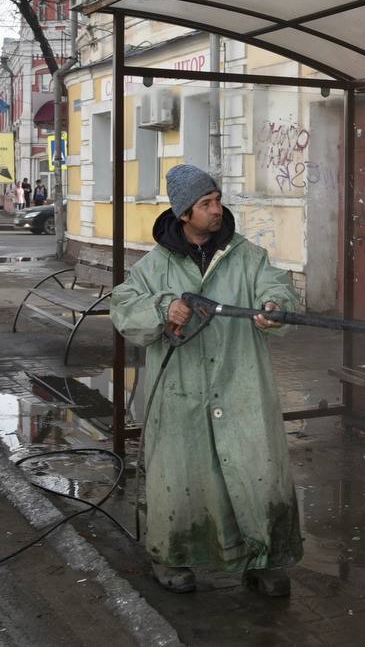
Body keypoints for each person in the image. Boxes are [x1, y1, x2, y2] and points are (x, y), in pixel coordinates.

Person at [110, 164, 301, 597]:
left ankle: (264, 561)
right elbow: (123, 307)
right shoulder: (154, 267)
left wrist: (274, 304)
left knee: (256, 471)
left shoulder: (246, 256)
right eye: (206, 204)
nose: (217, 210)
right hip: (179, 393)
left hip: (240, 386)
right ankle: (173, 556)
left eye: (217, 200)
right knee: (180, 477)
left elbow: (279, 286)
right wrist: (163, 308)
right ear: (183, 214)